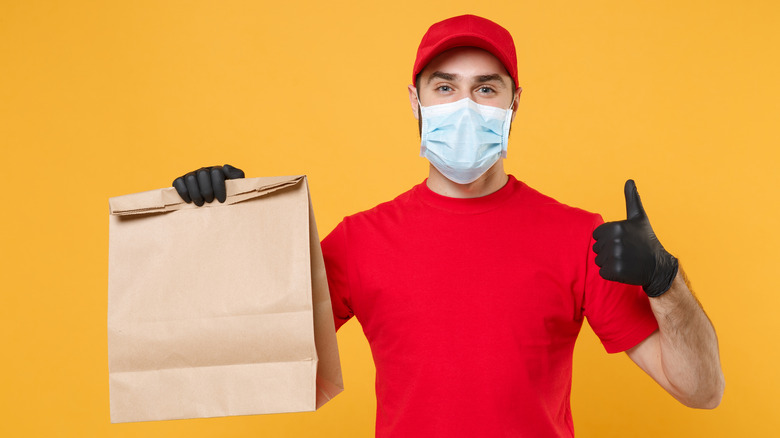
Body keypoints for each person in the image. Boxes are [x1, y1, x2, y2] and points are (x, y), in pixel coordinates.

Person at [172, 14, 724, 438]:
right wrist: (219, 228)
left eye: (486, 89)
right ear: (415, 101)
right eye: (444, 87)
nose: (465, 106)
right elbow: (248, 357)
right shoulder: (359, 241)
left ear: (514, 103)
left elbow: (701, 392)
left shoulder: (579, 238)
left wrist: (664, 282)